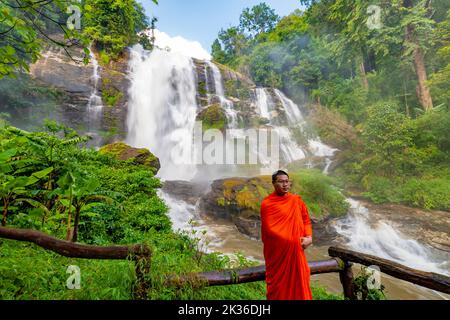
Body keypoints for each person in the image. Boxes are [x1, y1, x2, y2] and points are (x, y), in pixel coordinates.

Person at [260, 170, 313, 300]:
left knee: (300, 284)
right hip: (278, 257)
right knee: (279, 290)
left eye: (287, 181)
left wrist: (309, 237)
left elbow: (306, 220)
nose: (285, 184)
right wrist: (293, 239)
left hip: (296, 253)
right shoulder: (267, 204)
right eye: (281, 182)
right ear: (273, 184)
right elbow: (270, 230)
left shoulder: (296, 201)